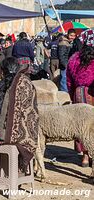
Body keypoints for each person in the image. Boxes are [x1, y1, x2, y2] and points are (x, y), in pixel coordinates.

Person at [67, 30, 94, 167]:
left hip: (79, 93)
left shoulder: (74, 59)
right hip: (92, 93)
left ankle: (84, 156)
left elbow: (69, 81)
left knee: (81, 125)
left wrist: (72, 95)